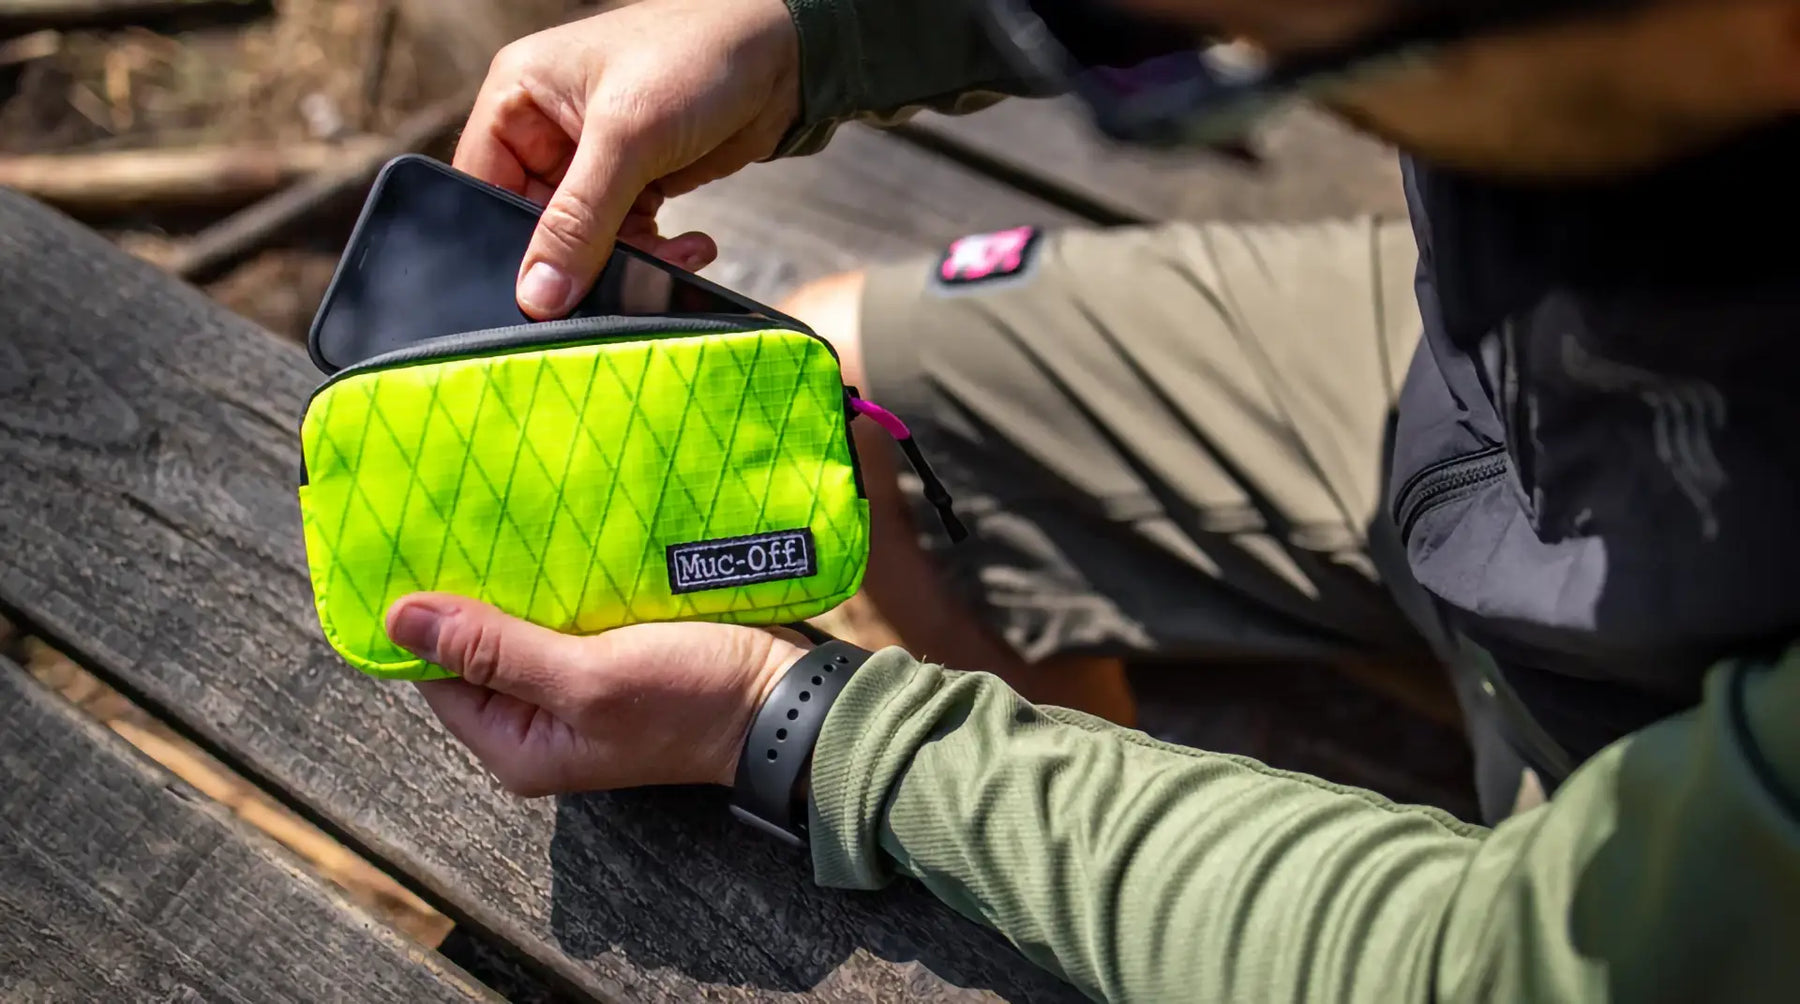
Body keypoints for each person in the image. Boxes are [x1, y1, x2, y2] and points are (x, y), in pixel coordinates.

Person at [383, 0, 1800, 998]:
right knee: (856, 388)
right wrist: (803, 36)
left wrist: (796, 722)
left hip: (1679, 797)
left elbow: (1473, 964)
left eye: (1211, 69)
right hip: (1492, 384)